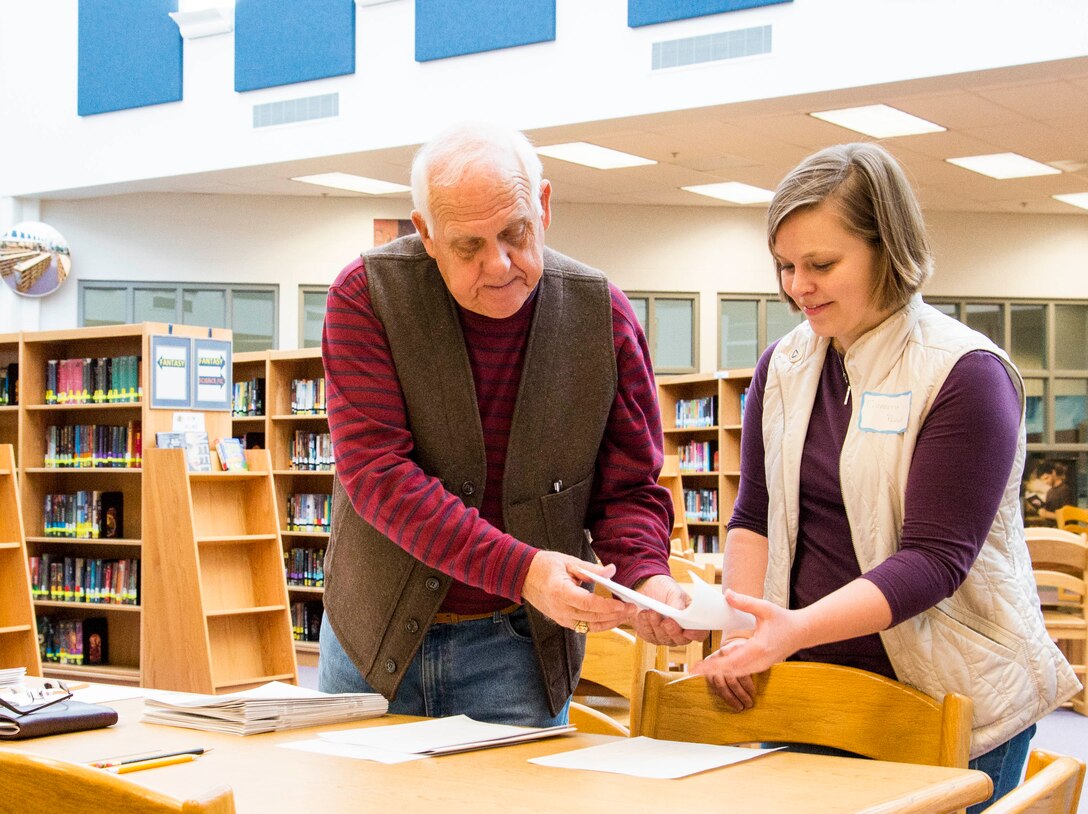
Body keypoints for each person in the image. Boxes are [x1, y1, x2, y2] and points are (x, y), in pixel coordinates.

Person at [692, 142, 1081, 811]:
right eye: (785, 265)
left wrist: (792, 629)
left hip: (949, 694)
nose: (797, 286)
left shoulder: (966, 373)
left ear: (887, 249)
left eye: (821, 264)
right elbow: (753, 517)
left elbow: (934, 561)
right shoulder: (780, 369)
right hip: (809, 690)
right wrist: (741, 635)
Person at [318, 122, 701, 727]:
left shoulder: (604, 318)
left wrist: (646, 576)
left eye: (515, 233)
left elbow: (627, 490)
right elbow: (377, 474)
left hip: (519, 653)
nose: (499, 265)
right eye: (467, 246)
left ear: (543, 205)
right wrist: (523, 571)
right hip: (373, 641)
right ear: (426, 234)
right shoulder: (366, 298)